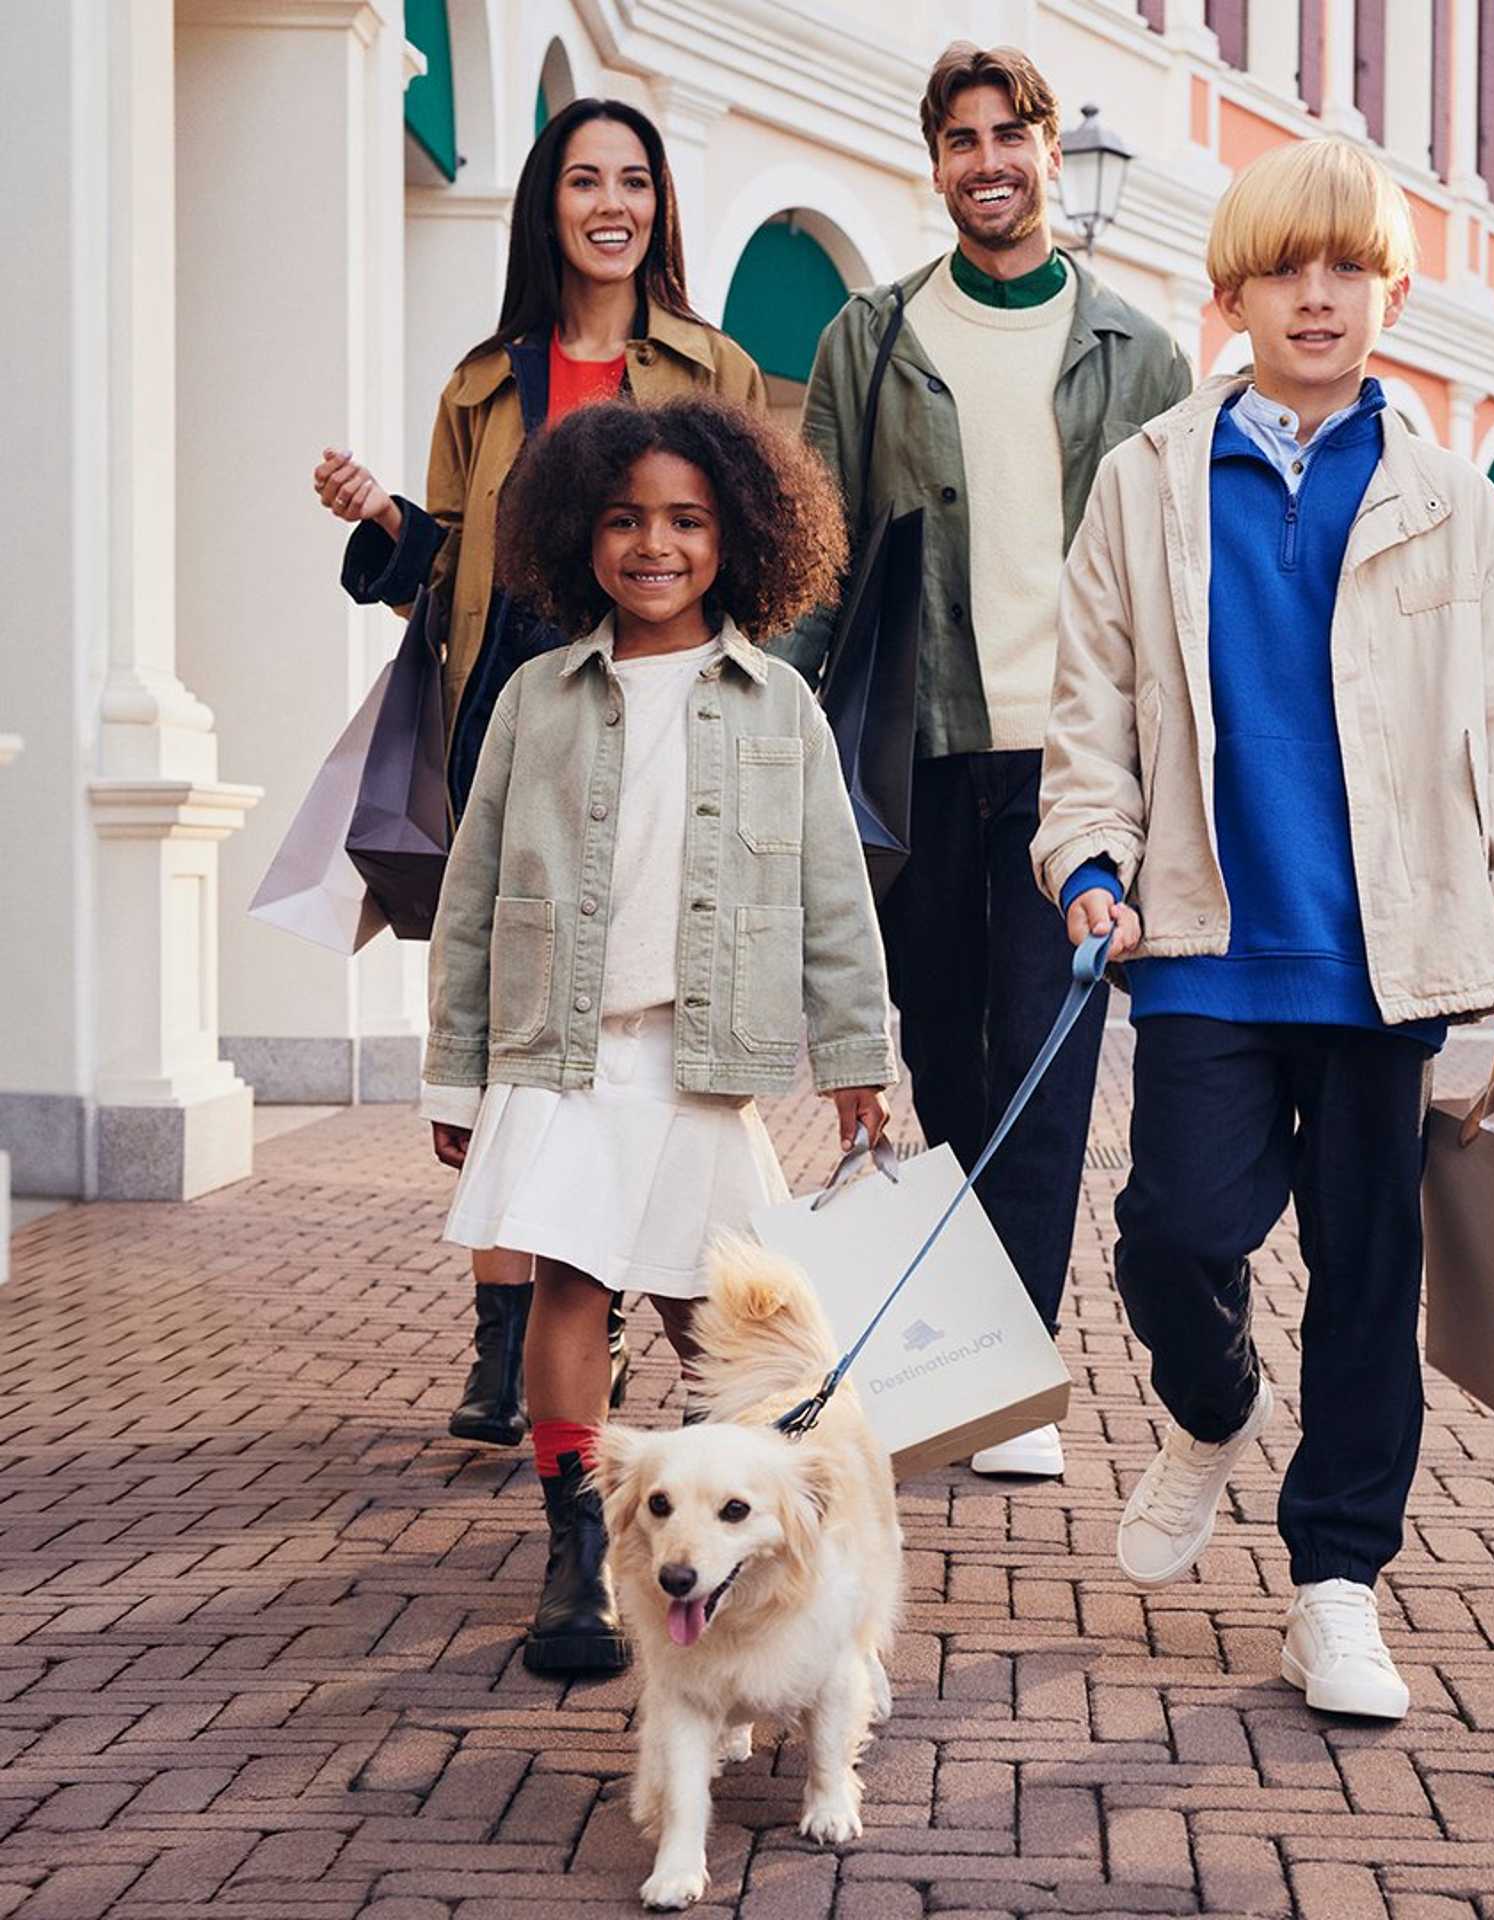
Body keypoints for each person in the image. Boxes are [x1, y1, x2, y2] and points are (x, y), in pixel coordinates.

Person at [1033, 139, 1494, 1719]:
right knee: (1175, 1234)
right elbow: (1090, 712)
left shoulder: (1449, 499)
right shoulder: (1146, 480)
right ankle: (1213, 1406)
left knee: (1365, 1282)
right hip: (1204, 942)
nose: (1317, 295)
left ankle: (1338, 1585)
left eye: (1348, 268)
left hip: (1385, 960)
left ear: (1390, 292)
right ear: (1234, 295)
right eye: (1284, 269)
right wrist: (1088, 859)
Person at [310, 99, 765, 1452]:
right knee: (522, 1026)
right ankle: (510, 1332)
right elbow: (447, 581)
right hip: (516, 719)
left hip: (664, 717)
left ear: (658, 205)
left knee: (638, 1024)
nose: (611, 204)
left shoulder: (714, 369)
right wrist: (390, 525)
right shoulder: (480, 384)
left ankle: (615, 1308)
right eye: (584, 180)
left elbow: (753, 557)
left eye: (634, 180)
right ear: (546, 205)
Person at [420, 396, 895, 1674]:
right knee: (571, 1287)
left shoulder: (779, 705)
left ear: (737, 537)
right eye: (625, 519)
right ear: (579, 534)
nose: (655, 545)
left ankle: (755, 1548)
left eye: (687, 521)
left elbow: (833, 897)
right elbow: (473, 894)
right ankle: (580, 1554)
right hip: (563, 1054)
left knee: (720, 1319)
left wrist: (858, 1057)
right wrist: (456, 1070)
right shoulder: (534, 698)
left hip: (701, 1065)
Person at [776, 43, 1192, 1482]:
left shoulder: (1139, 353)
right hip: (921, 759)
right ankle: (970, 1351)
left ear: (1048, 154)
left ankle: (1013, 1381)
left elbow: (1180, 577)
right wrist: (768, 704)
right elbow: (818, 554)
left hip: (1078, 766)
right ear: (937, 163)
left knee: (1049, 1063)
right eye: (961, 140)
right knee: (944, 1057)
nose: (988, 161)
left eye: (1010, 135)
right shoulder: (871, 338)